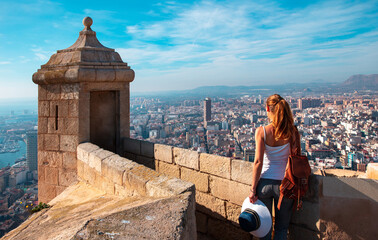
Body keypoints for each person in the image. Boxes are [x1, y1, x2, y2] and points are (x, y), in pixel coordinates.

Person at [249, 94, 296, 240]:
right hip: (285, 185)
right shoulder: (292, 132)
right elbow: (294, 159)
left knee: (264, 229)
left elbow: (258, 162)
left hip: (264, 184)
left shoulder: (262, 131)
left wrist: (253, 189)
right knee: (281, 228)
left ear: (268, 109)